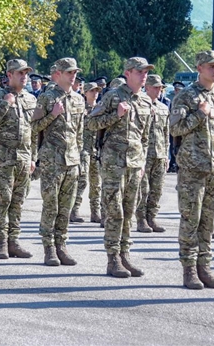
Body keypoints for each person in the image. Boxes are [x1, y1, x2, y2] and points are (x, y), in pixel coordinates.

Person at [170, 51, 214, 290]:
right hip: (192, 168)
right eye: (211, 66)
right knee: (191, 219)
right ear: (199, 68)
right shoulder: (187, 96)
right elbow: (175, 129)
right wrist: (200, 114)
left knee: (208, 221)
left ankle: (204, 267)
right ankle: (189, 269)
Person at [86, 57, 154, 279]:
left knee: (129, 212)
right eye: (139, 71)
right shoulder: (113, 96)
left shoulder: (145, 101)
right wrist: (116, 115)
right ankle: (112, 258)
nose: (144, 75)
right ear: (128, 73)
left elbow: (145, 136)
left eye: (145, 72)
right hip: (114, 163)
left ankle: (125, 255)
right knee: (114, 211)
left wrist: (142, 161)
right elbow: (91, 123)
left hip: (134, 164)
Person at [32, 58, 84, 266]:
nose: (73, 76)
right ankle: (49, 248)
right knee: (51, 206)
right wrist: (52, 116)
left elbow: (79, 133)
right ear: (58, 75)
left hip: (71, 161)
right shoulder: (46, 98)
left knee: (66, 207)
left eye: (74, 73)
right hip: (52, 160)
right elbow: (34, 127)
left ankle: (62, 245)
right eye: (69, 72)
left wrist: (79, 158)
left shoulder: (79, 100)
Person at [0, 59, 37, 259]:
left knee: (18, 201)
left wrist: (33, 157)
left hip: (24, 158)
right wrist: (5, 104)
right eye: (20, 73)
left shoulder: (31, 99)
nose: (24, 77)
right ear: (9, 75)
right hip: (3, 158)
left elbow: (34, 132)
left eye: (26, 73)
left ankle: (14, 241)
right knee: (3, 200)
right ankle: (1, 243)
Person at [135, 74, 169, 234]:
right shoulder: (139, 105)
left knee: (157, 189)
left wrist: (167, 154)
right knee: (143, 189)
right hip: (144, 154)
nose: (158, 90)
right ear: (146, 87)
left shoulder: (163, 108)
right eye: (155, 87)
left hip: (160, 154)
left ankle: (152, 217)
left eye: (160, 88)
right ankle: (141, 219)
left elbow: (166, 133)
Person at [72, 82, 103, 223]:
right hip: (83, 149)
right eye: (92, 91)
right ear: (85, 93)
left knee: (96, 183)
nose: (94, 93)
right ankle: (74, 210)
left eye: (96, 91)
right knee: (82, 180)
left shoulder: (101, 108)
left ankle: (95, 212)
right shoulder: (80, 108)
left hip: (96, 149)